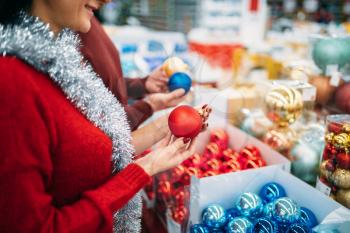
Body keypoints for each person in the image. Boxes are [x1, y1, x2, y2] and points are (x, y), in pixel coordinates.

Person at [0, 1, 210, 233]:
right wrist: (140, 171)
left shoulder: (61, 58)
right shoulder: (12, 82)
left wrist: (163, 125)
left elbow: (84, 155)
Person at [79, 17, 186, 131]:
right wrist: (149, 106)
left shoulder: (86, 18)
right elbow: (99, 131)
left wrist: (142, 85)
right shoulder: (70, 33)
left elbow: (102, 84)